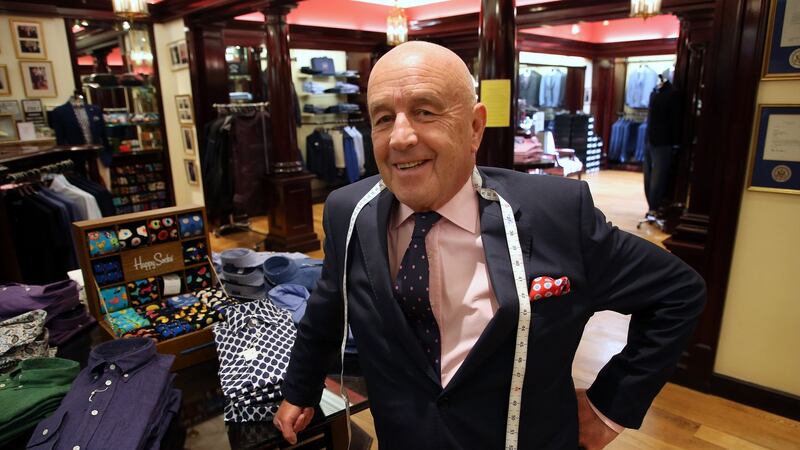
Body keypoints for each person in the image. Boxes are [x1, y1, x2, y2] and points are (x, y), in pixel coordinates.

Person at [275, 41, 706, 449]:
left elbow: (677, 293)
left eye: (425, 112)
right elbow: (327, 310)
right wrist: (301, 389)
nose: (400, 137)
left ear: (475, 127)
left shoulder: (557, 214)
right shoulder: (347, 211)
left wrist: (610, 405)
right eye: (383, 118)